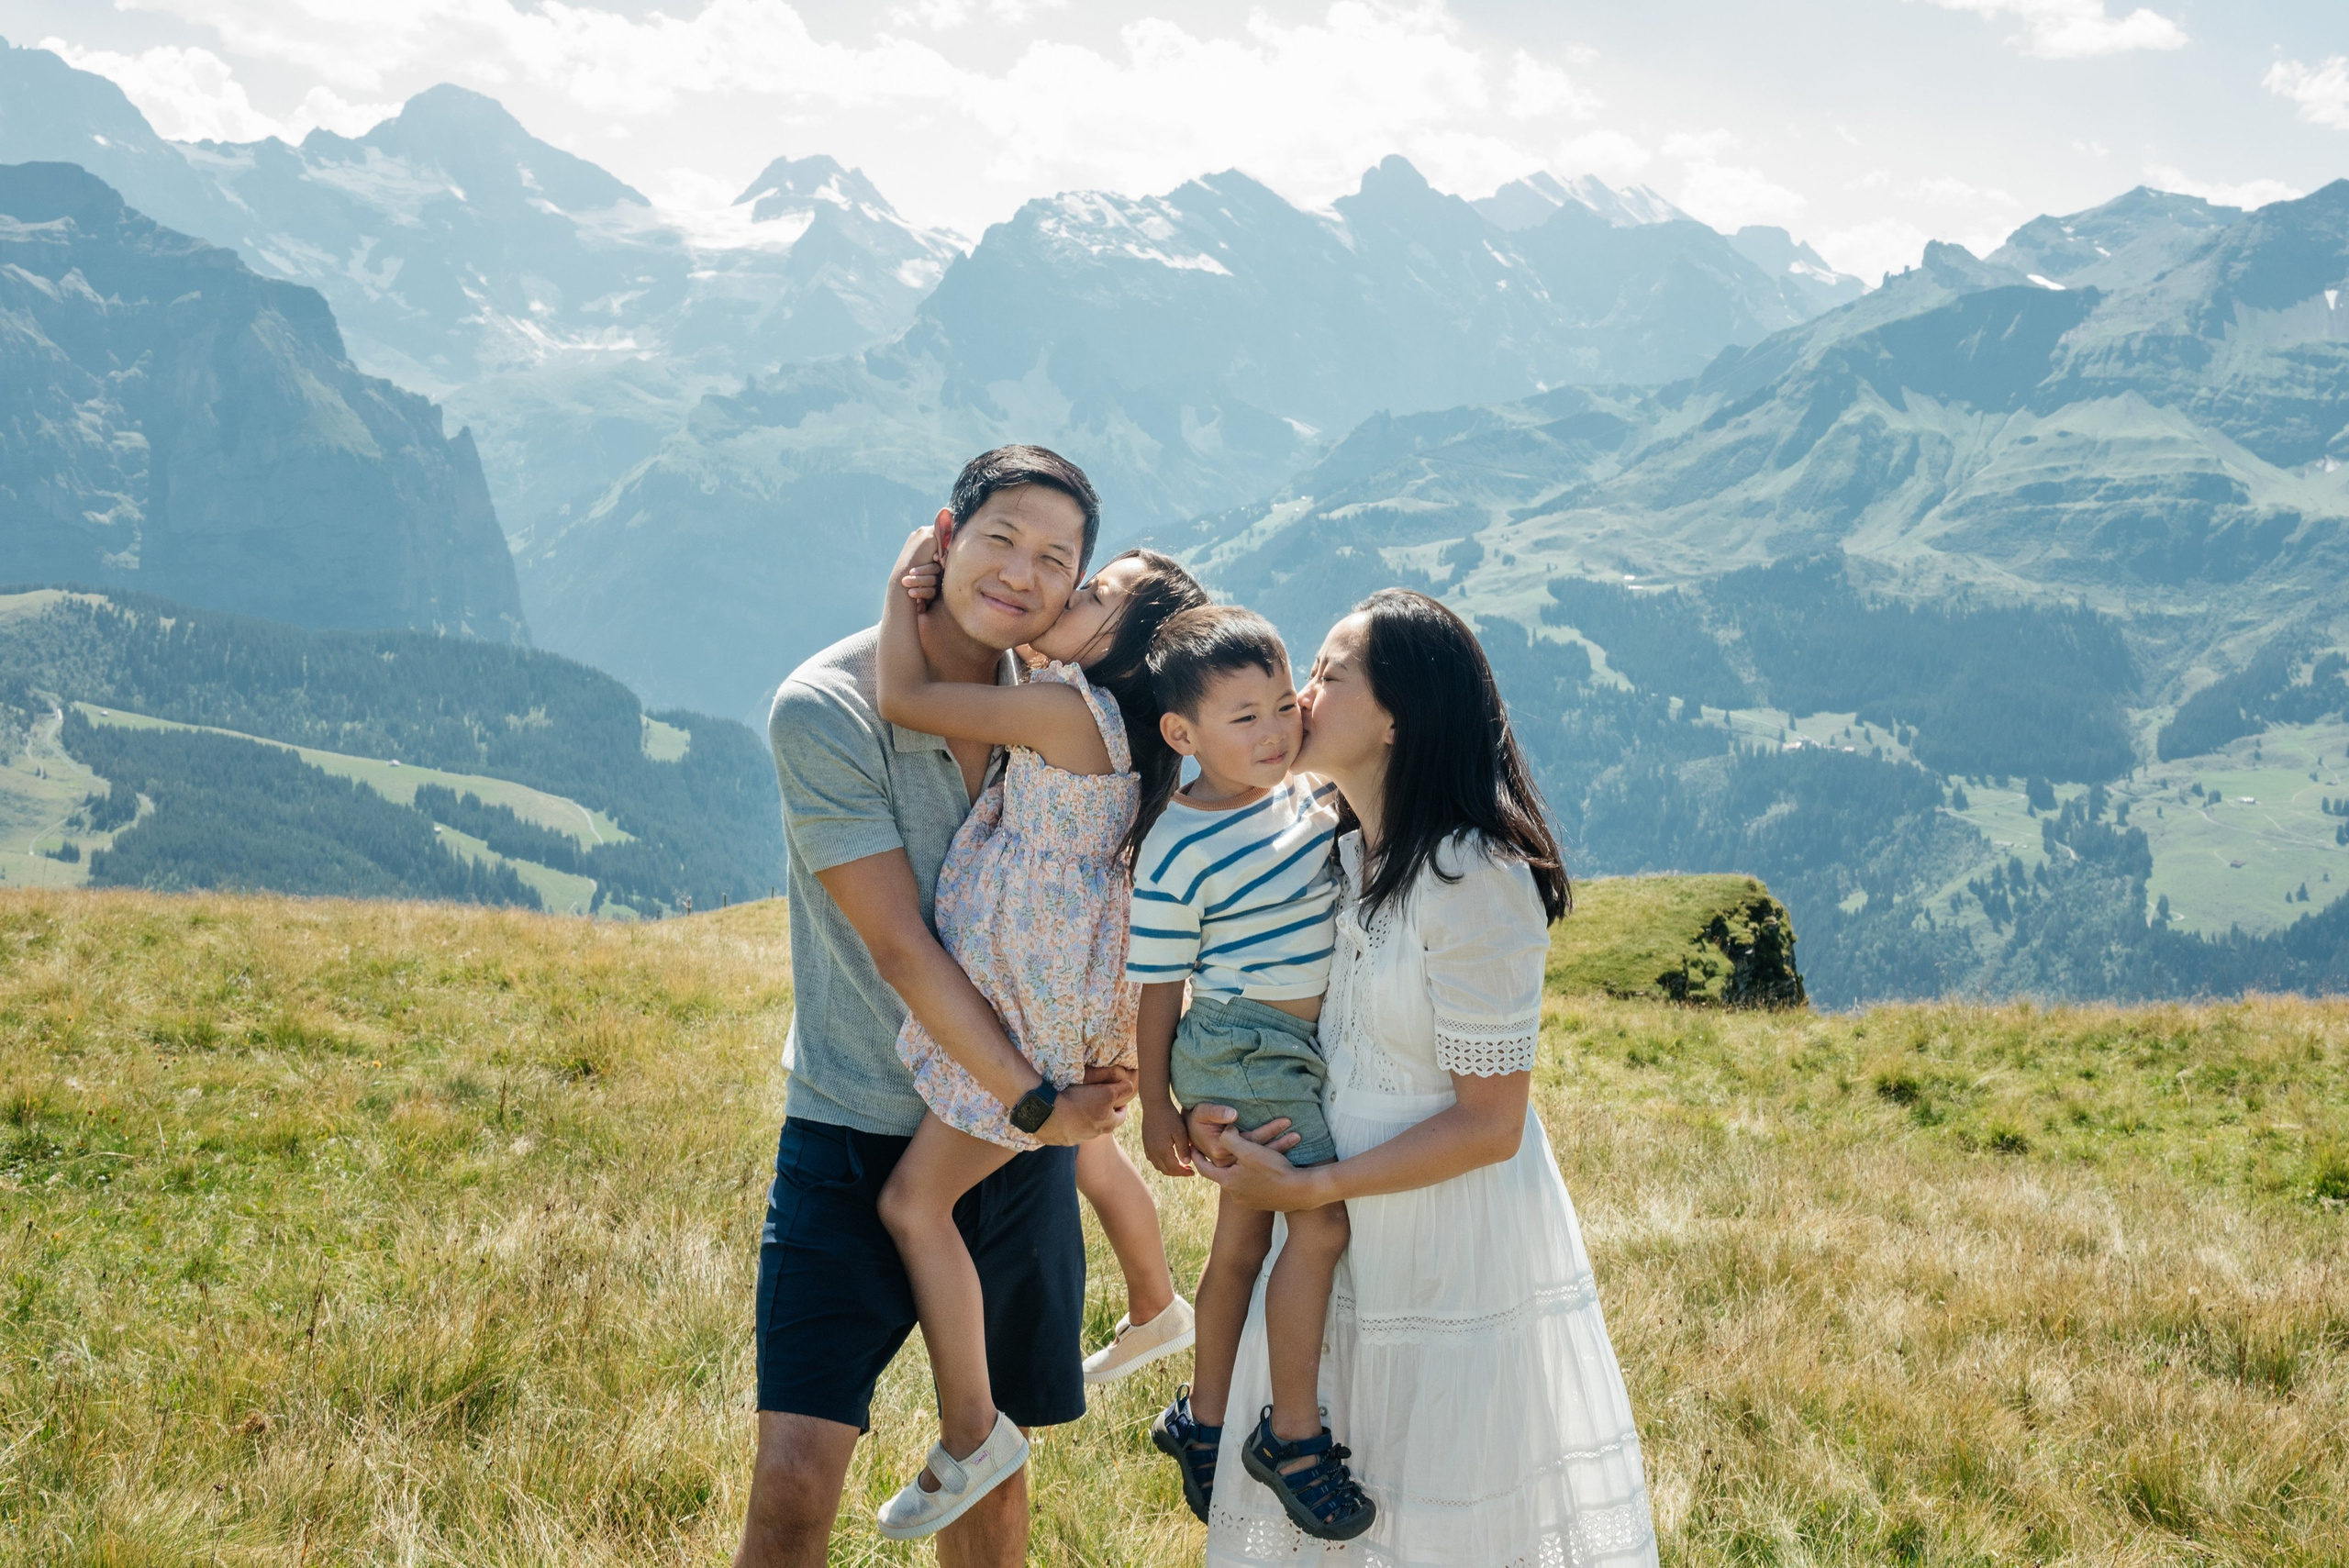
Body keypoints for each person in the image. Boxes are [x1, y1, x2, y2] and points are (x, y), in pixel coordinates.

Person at [1190, 588, 1661, 1567]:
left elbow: (1490, 1123)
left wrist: (1315, 1186)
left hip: (1443, 1233)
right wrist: (1216, 1111)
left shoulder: (1474, 874)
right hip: (1334, 1215)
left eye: (1329, 673)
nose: (1299, 693)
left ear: (1398, 717)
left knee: (1439, 1511)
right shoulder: (1339, 851)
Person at [741, 446, 1134, 1568]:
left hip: (1010, 1144)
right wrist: (1036, 1101)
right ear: (944, 537)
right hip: (859, 1124)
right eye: (1001, 537)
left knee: (992, 1487)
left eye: (1055, 559)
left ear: (1077, 587)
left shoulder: (1066, 704)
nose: (1021, 573)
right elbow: (901, 947)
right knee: (793, 1481)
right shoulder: (826, 708)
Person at [867, 527, 1208, 1539]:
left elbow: (906, 697)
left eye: (1096, 593)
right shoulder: (1116, 722)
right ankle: (1154, 1303)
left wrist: (902, 585)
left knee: (913, 1203)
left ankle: (974, 1430)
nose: (1071, 593)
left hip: (1029, 1002)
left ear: (1127, 649)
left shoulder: (1066, 711)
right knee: (1084, 1152)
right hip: (1065, 989)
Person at [1130, 606, 1373, 1543]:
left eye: (1281, 703)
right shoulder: (1176, 844)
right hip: (1241, 1045)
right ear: (1182, 733)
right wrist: (1156, 1104)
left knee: (1240, 1243)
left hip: (1287, 1045)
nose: (1275, 730)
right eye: (1244, 717)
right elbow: (1160, 985)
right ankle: (1293, 1437)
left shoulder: (1299, 791)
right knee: (1321, 1221)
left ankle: (1203, 1420)